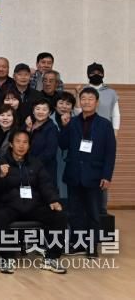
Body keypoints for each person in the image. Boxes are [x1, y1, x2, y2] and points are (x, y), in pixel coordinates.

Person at [0, 129, 67, 274]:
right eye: (18, 141)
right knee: (0, 217)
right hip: (10, 206)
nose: (21, 145)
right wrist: (1, 176)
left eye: (25, 142)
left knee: (59, 216)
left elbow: (45, 184)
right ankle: (7, 258)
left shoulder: (35, 163)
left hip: (33, 206)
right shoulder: (0, 162)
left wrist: (53, 200)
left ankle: (51, 258)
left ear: (29, 145)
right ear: (11, 144)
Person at [59, 87, 116, 257]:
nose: (86, 102)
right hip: (74, 173)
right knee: (74, 212)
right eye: (83, 98)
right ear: (79, 101)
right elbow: (63, 144)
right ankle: (78, 244)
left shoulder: (105, 124)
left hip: (94, 175)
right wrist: (64, 126)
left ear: (97, 103)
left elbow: (110, 153)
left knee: (93, 212)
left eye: (90, 99)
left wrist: (106, 176)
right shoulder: (72, 122)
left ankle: (91, 247)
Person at [26, 99, 59, 186]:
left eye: (44, 109)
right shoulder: (28, 125)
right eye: (37, 109)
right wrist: (28, 130)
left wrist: (32, 164)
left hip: (44, 171)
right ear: (33, 111)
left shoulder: (52, 128)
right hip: (27, 170)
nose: (40, 112)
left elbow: (50, 152)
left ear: (49, 113)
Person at [84, 62, 120, 138]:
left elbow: (115, 114)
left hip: (105, 131)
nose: (96, 75)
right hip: (84, 131)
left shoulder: (111, 92)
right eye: (93, 73)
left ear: (103, 74)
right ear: (88, 75)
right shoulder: (82, 91)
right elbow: (77, 112)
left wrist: (115, 133)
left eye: (99, 73)